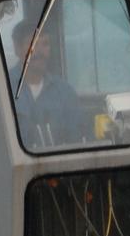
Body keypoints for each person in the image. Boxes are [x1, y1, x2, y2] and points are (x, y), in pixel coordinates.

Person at [9, 19, 86, 150]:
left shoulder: (65, 92)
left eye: (45, 44)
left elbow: (78, 139)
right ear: (17, 48)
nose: (39, 52)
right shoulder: (1, 90)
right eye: (33, 44)